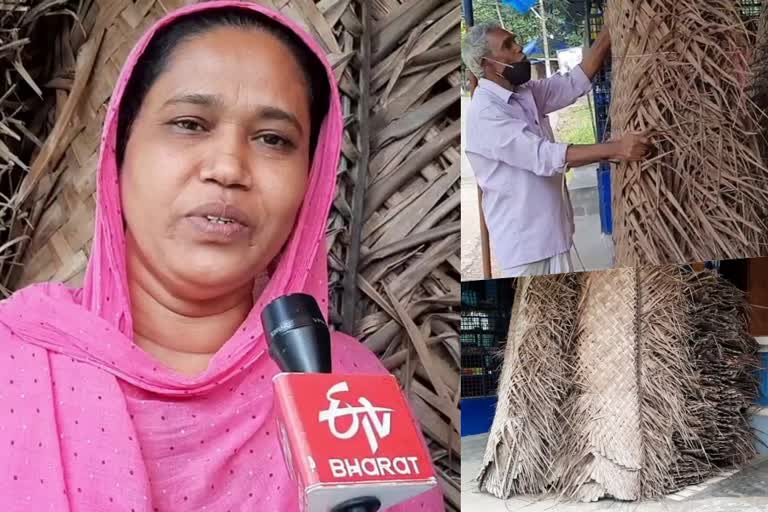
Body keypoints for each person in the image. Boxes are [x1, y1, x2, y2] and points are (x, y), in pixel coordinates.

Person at [0, 2, 444, 510]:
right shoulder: (14, 361)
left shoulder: (349, 387)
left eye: (274, 139)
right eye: (190, 123)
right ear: (119, 152)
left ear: (312, 179)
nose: (229, 166)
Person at [462, 23, 652, 277]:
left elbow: (572, 83)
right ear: (487, 65)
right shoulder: (486, 112)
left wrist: (610, 31)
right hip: (526, 245)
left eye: (514, 40)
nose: (519, 47)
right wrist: (615, 148)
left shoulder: (523, 93)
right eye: (507, 46)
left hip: (554, 233)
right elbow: (543, 156)